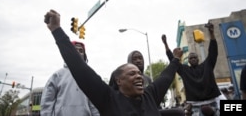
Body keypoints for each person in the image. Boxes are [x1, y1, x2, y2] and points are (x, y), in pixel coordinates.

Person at [43, 9, 185, 116]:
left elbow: (166, 76)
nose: (138, 76)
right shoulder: (109, 99)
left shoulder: (150, 95)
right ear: (119, 81)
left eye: (138, 73)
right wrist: (56, 30)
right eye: (131, 73)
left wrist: (176, 59)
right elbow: (79, 68)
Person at [161, 22, 221, 116]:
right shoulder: (185, 70)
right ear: (188, 61)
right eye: (190, 58)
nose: (193, 59)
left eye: (194, 57)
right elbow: (173, 60)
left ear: (198, 59)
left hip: (212, 103)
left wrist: (211, 33)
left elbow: (213, 51)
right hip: (195, 106)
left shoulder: (207, 65)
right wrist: (165, 44)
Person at [40, 40, 100, 116]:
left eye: (81, 51)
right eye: (75, 50)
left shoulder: (89, 77)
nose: (78, 52)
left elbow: (94, 105)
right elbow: (46, 103)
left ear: (84, 56)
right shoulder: (57, 75)